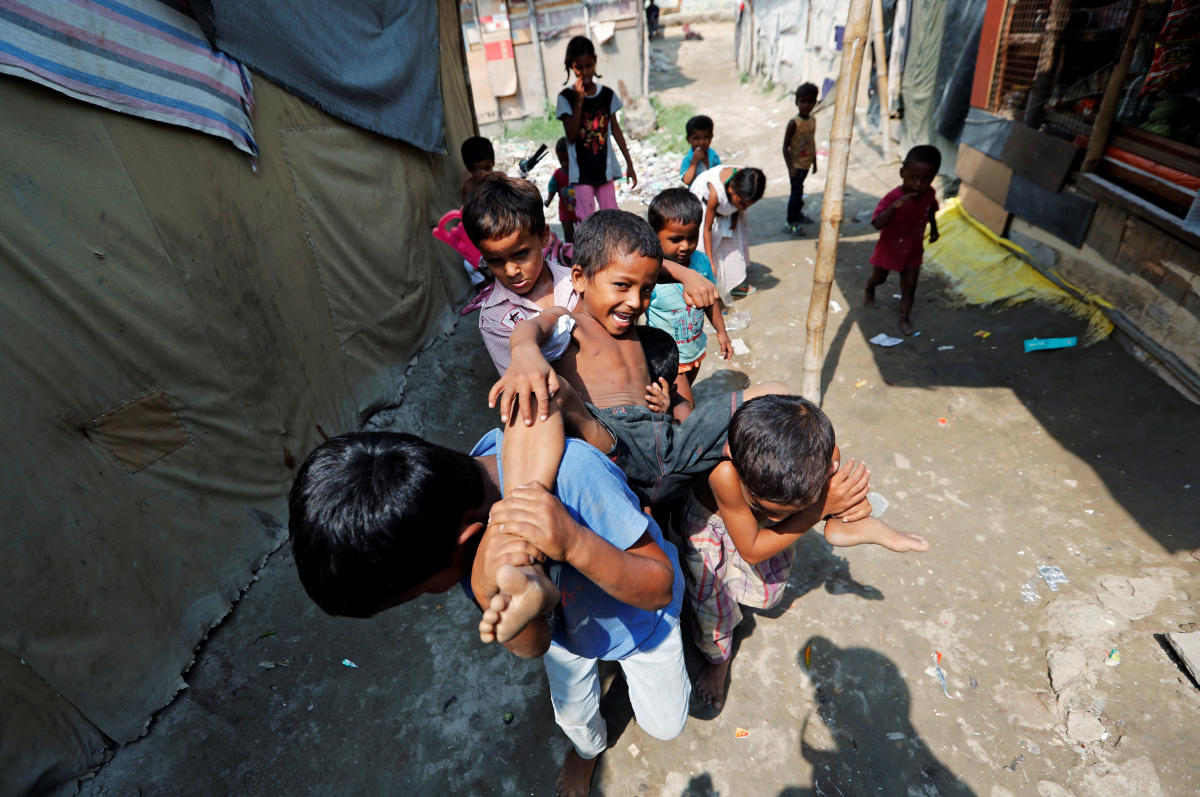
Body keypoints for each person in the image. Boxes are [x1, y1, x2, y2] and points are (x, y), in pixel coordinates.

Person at [289, 422, 690, 797]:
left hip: (642, 627)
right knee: (573, 719)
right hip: (568, 637)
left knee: (665, 725)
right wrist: (486, 590)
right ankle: (587, 752)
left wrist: (575, 544)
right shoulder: (449, 525)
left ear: (466, 539)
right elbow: (537, 643)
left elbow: (658, 586)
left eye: (423, 592)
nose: (432, 595)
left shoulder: (575, 474)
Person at [490, 209, 787, 507]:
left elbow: (645, 269)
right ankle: (523, 506)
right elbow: (530, 329)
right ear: (578, 279)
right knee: (547, 390)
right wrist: (525, 354)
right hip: (613, 446)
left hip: (669, 446)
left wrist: (688, 275)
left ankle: (809, 498)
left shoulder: (629, 320)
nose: (635, 302)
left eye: (646, 290)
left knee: (777, 392)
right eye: (622, 286)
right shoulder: (568, 323)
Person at [675, 394, 931, 710]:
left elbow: (790, 509)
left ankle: (848, 524)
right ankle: (719, 661)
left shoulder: (822, 452)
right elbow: (752, 549)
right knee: (713, 606)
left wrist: (839, 503)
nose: (783, 518)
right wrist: (814, 511)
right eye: (775, 511)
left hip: (757, 523)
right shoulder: (724, 474)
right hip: (713, 528)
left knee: (766, 573)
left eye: (796, 509)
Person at [463, 173, 579, 375]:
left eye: (521, 254)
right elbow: (523, 389)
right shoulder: (494, 318)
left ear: (544, 237)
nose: (510, 271)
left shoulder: (577, 283)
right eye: (495, 260)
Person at [644, 189, 733, 417]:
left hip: (695, 349)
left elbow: (710, 301)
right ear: (654, 235)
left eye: (692, 237)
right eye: (676, 239)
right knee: (686, 410)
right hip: (668, 357)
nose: (685, 246)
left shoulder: (701, 262)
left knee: (679, 400)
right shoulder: (650, 272)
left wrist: (721, 332)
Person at [863, 145, 942, 336]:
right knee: (879, 277)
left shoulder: (929, 194)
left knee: (909, 285)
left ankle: (904, 317)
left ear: (932, 179)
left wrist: (934, 229)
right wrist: (894, 207)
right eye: (913, 177)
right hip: (889, 248)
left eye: (926, 179)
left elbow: (931, 209)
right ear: (902, 173)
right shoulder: (892, 197)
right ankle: (869, 289)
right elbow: (877, 224)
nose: (918, 185)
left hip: (913, 248)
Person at [557, 36, 637, 222]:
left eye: (588, 66)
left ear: (595, 61)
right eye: (579, 67)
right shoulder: (566, 98)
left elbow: (616, 131)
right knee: (587, 220)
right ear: (571, 67)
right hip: (581, 173)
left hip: (604, 169)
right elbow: (571, 135)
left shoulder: (607, 95)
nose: (584, 72)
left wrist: (629, 164)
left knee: (613, 218)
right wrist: (578, 103)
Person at [692, 166, 767, 300]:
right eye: (741, 203)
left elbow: (738, 206)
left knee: (732, 246)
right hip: (706, 212)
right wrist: (710, 263)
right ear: (731, 190)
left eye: (748, 205)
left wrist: (734, 218)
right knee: (706, 250)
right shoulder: (715, 193)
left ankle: (732, 283)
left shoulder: (744, 186)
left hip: (727, 209)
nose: (744, 208)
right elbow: (707, 229)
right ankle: (706, 283)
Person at [782, 83, 819, 237]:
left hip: (806, 164)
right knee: (795, 194)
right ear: (796, 102)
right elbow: (785, 147)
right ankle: (790, 222)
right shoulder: (793, 123)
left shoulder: (812, 120)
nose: (806, 105)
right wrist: (790, 167)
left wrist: (815, 161)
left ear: (814, 103)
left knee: (800, 191)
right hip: (796, 166)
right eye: (802, 101)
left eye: (810, 102)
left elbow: (811, 141)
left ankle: (798, 215)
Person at [545, 137, 579, 244]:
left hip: (579, 210)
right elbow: (552, 188)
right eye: (561, 160)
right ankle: (569, 252)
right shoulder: (558, 174)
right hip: (564, 211)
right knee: (568, 233)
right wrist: (548, 200)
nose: (564, 163)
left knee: (580, 234)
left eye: (567, 160)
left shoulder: (579, 171)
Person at [680, 114, 721, 188]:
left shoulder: (712, 154)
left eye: (706, 137)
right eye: (697, 138)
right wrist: (694, 161)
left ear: (711, 137)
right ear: (688, 139)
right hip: (696, 195)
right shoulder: (688, 159)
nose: (702, 142)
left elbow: (720, 172)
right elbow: (686, 181)